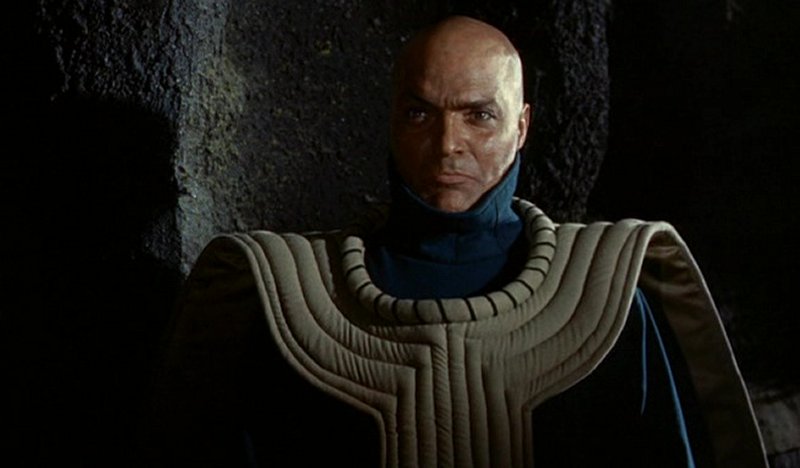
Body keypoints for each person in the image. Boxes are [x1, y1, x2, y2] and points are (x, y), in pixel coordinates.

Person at [145, 15, 767, 468]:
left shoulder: (606, 295)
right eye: (421, 113)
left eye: (479, 115)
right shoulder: (288, 299)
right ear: (393, 121)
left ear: (521, 126)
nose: (447, 146)